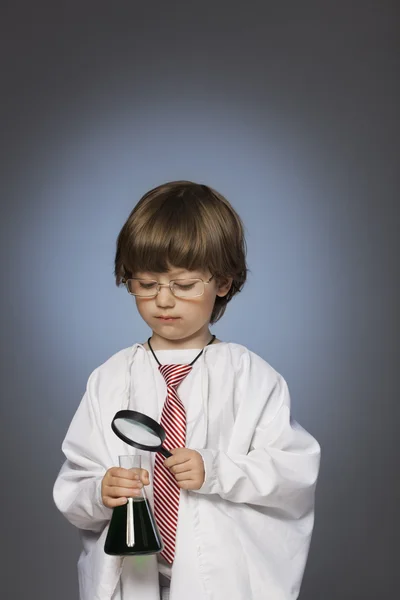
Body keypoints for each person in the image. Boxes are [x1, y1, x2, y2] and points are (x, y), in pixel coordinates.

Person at [53, 180, 321, 600]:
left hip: (220, 577)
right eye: (146, 284)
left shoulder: (251, 377)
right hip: (130, 575)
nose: (163, 300)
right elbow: (74, 484)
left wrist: (215, 470)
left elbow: (292, 474)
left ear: (222, 282)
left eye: (182, 285)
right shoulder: (110, 377)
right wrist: (99, 491)